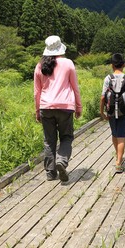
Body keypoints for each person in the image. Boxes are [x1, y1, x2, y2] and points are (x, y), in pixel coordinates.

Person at [34, 35, 82, 182]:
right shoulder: (68, 63)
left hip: (45, 107)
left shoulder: (39, 65)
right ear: (60, 47)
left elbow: (37, 91)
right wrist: (78, 106)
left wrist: (37, 110)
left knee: (49, 141)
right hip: (65, 107)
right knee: (66, 137)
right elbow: (75, 87)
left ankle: (50, 173)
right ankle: (61, 160)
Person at [100, 53, 125, 173]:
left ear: (112, 65)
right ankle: (119, 162)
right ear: (123, 65)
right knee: (122, 136)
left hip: (111, 111)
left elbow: (102, 98)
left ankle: (118, 157)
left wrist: (102, 112)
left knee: (114, 134)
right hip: (124, 111)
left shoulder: (108, 78)